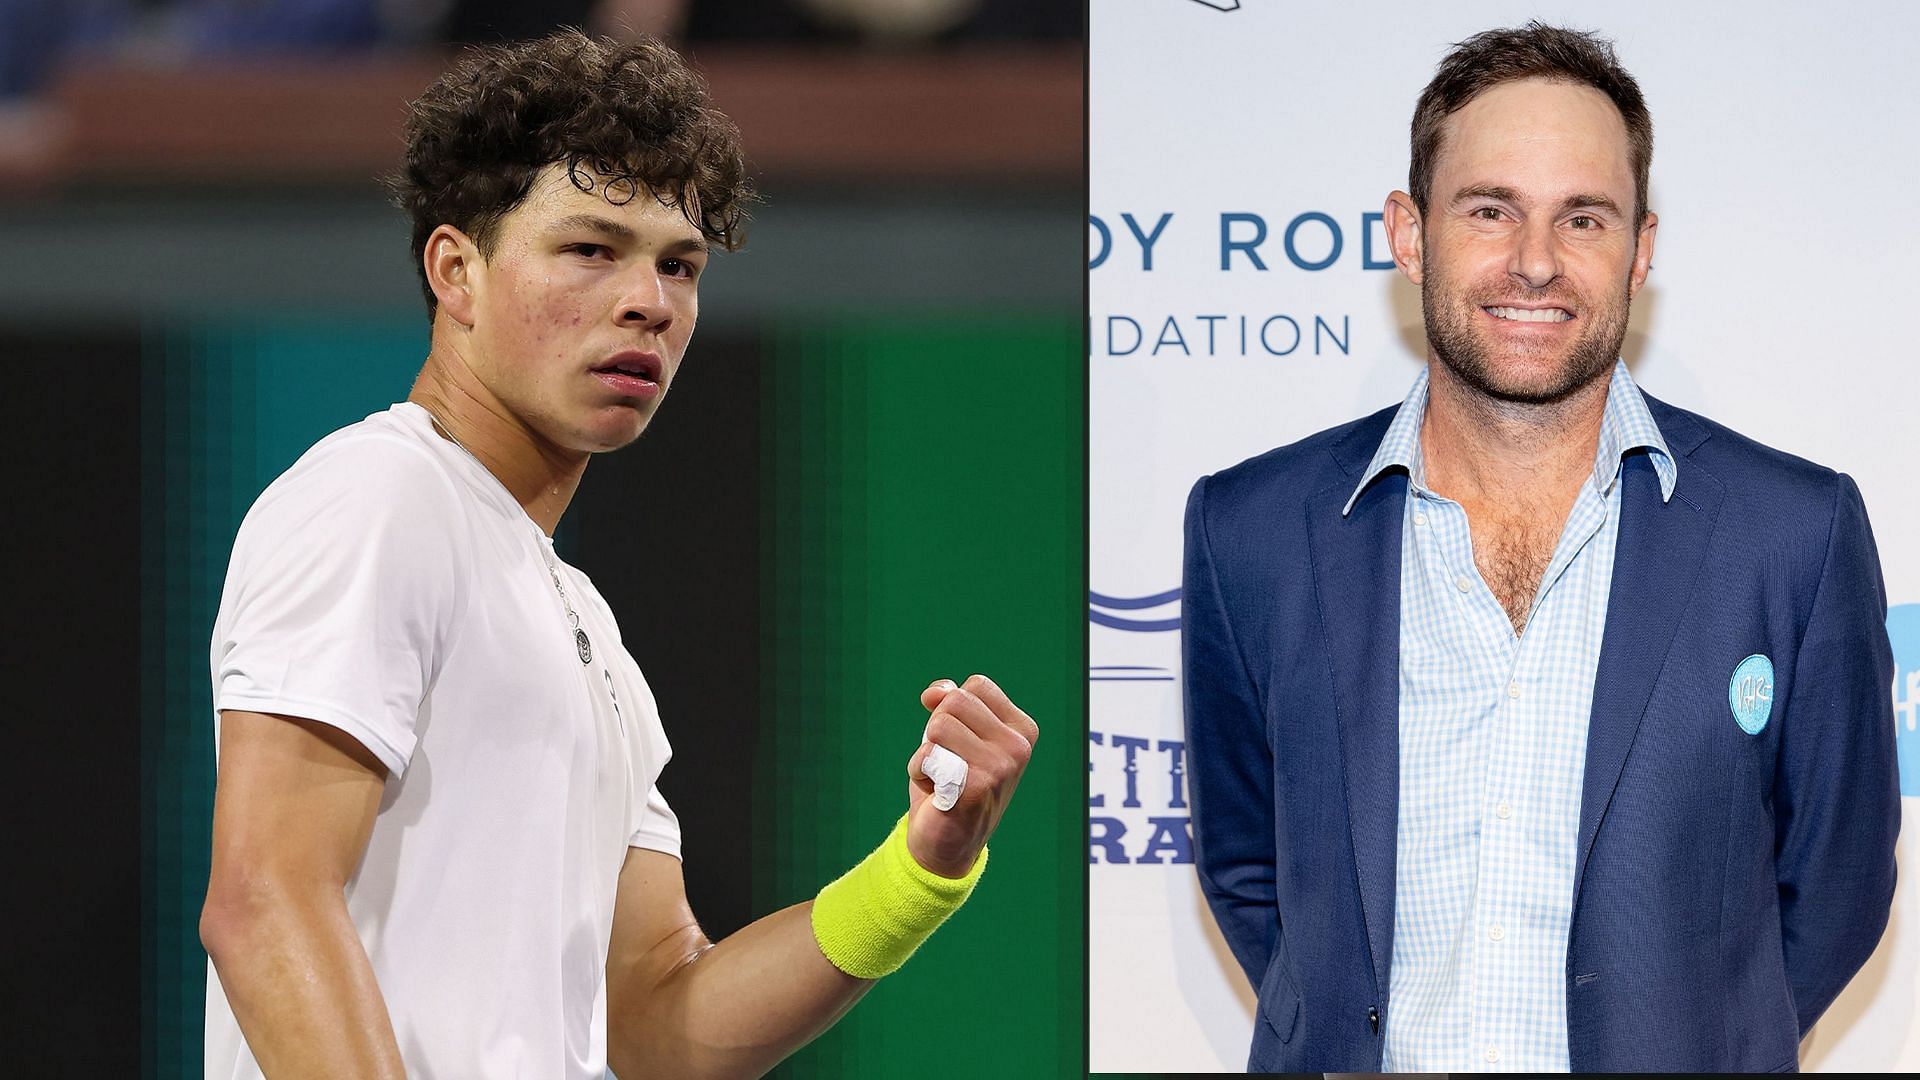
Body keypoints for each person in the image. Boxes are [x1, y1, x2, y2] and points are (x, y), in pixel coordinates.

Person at [197, 29, 1039, 1079]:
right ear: (456, 269)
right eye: (592, 249)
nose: (651, 300)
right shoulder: (379, 495)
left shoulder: (580, 620)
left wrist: (920, 868)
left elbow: (652, 1020)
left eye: (677, 265)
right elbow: (265, 900)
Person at [1181, 21, 1897, 1074]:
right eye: (1489, 209)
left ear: (1641, 248)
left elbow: (1834, 885)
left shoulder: (1794, 531)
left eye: (1584, 217)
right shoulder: (1251, 530)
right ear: (1409, 231)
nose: (1535, 261)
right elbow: (1250, 868)